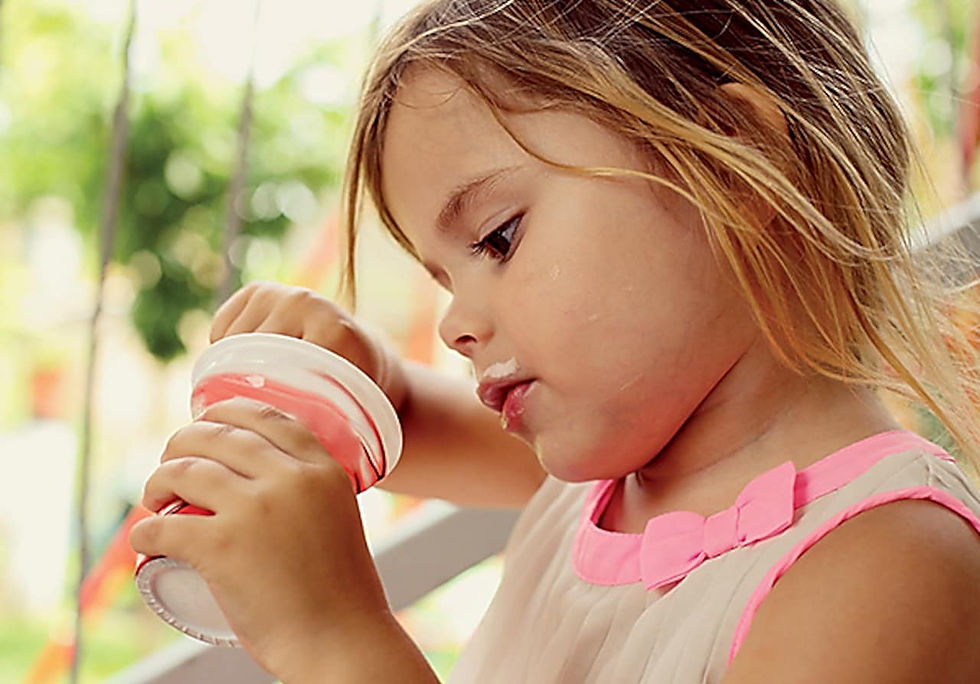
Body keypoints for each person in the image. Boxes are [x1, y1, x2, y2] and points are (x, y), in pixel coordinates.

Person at [129, 1, 980, 681]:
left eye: (498, 239)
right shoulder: (611, 467)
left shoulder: (891, 565)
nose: (456, 323)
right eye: (442, 278)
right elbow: (399, 430)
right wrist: (361, 374)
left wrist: (336, 640)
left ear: (730, 160)